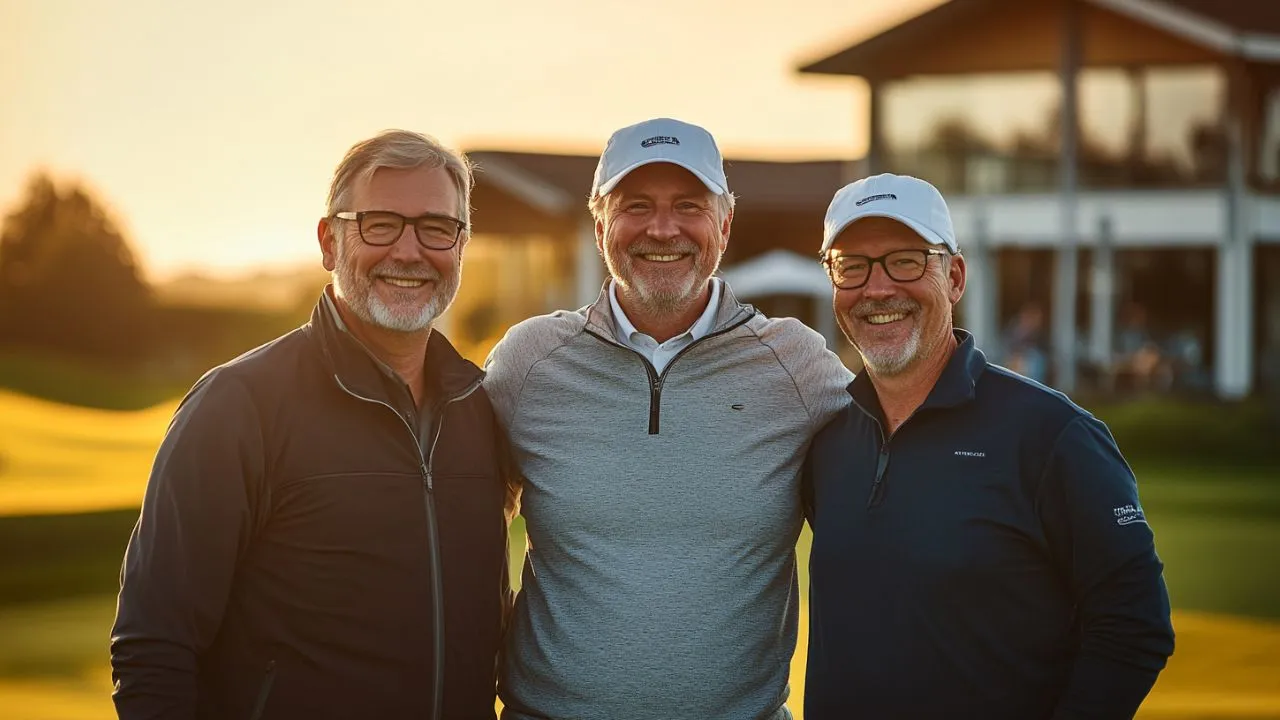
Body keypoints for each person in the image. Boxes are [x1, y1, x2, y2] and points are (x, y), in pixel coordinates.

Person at [110, 130, 513, 720]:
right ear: (330, 242)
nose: (408, 251)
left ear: (461, 246)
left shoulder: (481, 409)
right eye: (380, 224)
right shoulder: (238, 406)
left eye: (435, 227)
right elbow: (152, 649)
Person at [483, 117, 852, 720]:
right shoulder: (528, 363)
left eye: (689, 205)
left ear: (724, 225)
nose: (663, 227)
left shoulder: (798, 365)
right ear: (600, 224)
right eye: (636, 205)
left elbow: (897, 469)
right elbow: (463, 517)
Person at [803, 173, 1175, 719]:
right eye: (851, 266)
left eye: (905, 260)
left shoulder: (1054, 436)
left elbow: (1134, 624)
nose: (876, 288)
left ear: (954, 276)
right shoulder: (826, 434)